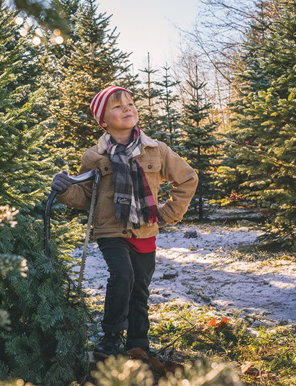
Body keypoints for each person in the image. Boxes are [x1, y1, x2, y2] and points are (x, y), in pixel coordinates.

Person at [51, 85, 198, 358]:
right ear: (104, 121)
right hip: (110, 229)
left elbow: (187, 179)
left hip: (145, 230)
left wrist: (167, 213)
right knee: (123, 275)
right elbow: (85, 197)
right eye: (118, 106)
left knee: (140, 286)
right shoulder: (94, 156)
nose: (127, 108)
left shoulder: (157, 150)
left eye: (130, 103)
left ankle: (138, 344)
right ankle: (110, 336)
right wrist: (64, 190)